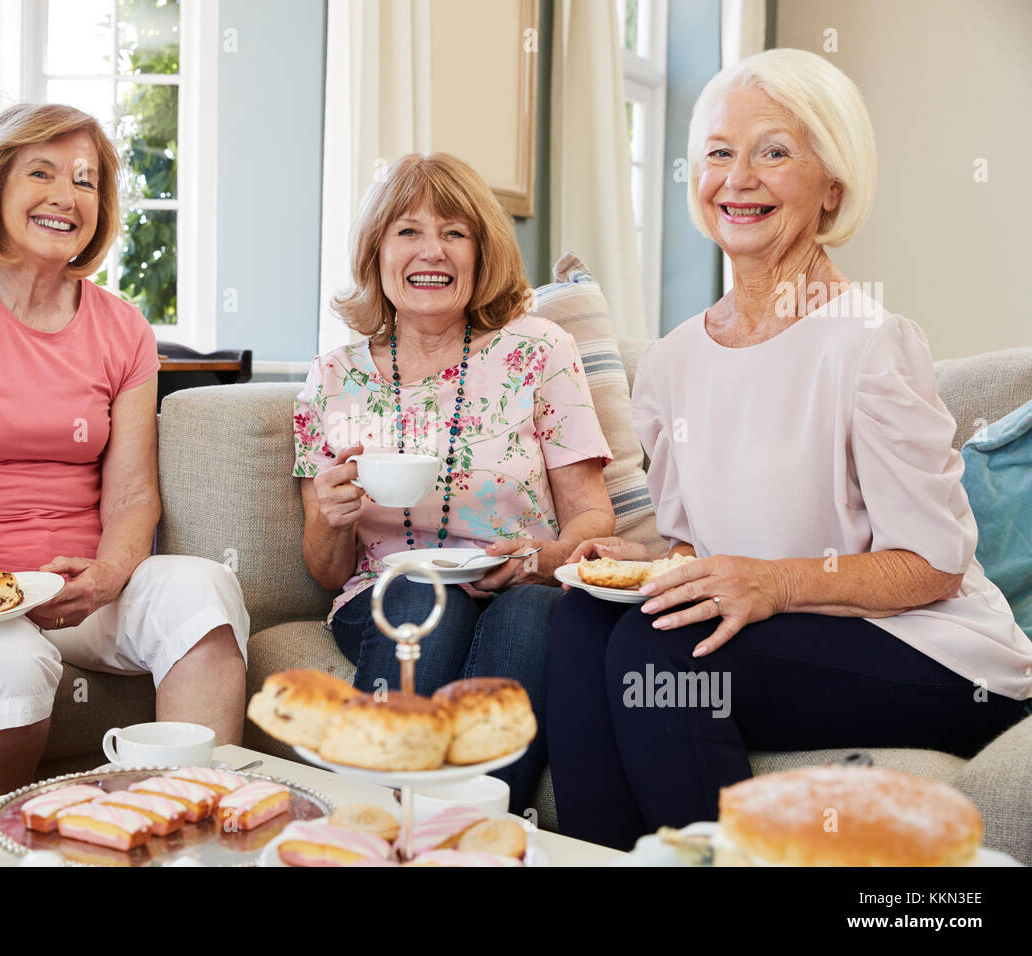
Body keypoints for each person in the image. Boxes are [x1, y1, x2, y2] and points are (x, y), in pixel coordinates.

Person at [546, 49, 1032, 850]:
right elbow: (692, 548)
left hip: (934, 649)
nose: (739, 179)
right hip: (779, 631)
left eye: (774, 152)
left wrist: (769, 583)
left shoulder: (869, 345)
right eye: (718, 153)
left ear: (831, 186)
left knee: (661, 647)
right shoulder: (670, 363)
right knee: (584, 620)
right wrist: (639, 566)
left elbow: (934, 564)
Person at [0, 104, 249, 797]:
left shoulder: (124, 329)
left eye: (85, 180)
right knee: (4, 664)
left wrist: (107, 573)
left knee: (204, 591)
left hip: (80, 589)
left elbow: (133, 497)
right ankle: (14, 840)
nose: (66, 196)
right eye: (40, 172)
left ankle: (184, 825)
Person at [295, 153, 616, 810]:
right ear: (376, 251)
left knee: (531, 614)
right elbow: (328, 572)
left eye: (454, 232)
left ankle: (465, 839)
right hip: (387, 594)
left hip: (525, 582)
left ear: (481, 250)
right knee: (419, 600)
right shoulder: (334, 377)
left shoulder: (539, 350)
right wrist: (330, 516)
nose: (431, 251)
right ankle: (376, 827)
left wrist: (540, 558)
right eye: (407, 231)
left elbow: (592, 517)